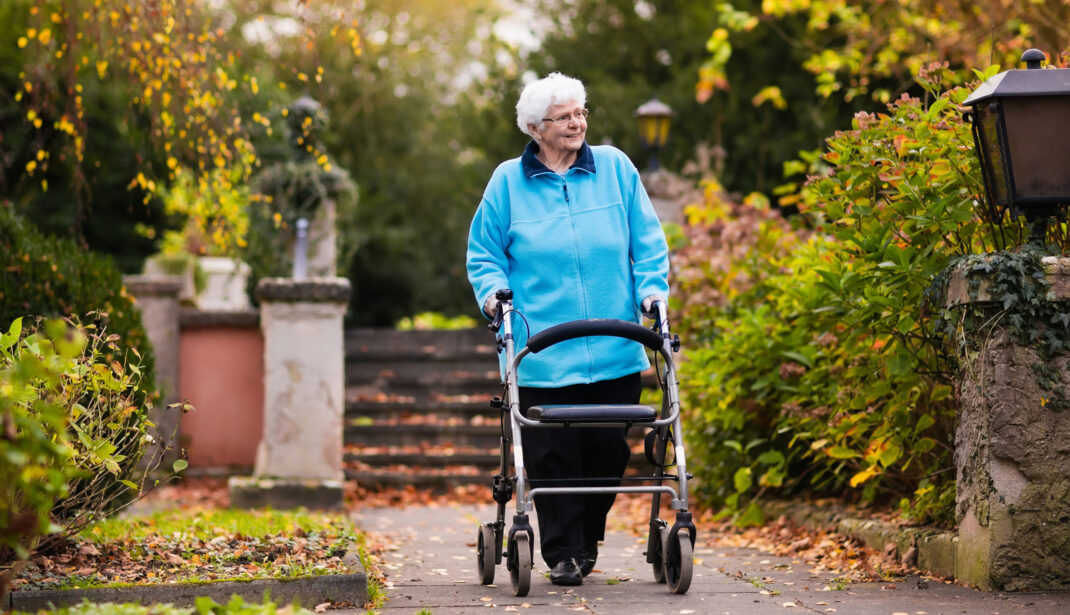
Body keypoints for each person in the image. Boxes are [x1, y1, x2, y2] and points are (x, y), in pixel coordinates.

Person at [466, 72, 670, 586]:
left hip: (615, 344)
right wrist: (494, 297)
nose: (577, 123)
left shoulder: (617, 169)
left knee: (607, 451)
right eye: (564, 116)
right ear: (536, 127)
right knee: (552, 457)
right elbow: (484, 254)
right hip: (540, 351)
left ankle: (586, 541)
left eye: (581, 112)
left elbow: (648, 241)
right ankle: (562, 553)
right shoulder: (507, 182)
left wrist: (652, 290)